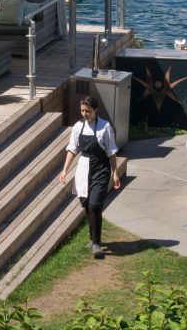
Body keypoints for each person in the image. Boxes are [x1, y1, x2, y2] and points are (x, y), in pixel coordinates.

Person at [58, 95, 121, 259]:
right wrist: (65, 170)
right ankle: (93, 238)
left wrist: (115, 172)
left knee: (94, 205)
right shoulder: (78, 127)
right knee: (86, 204)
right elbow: (72, 149)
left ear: (95, 110)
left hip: (100, 169)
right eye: (82, 111)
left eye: (88, 111)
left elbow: (111, 151)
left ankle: (96, 243)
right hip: (84, 169)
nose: (85, 114)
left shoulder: (104, 126)